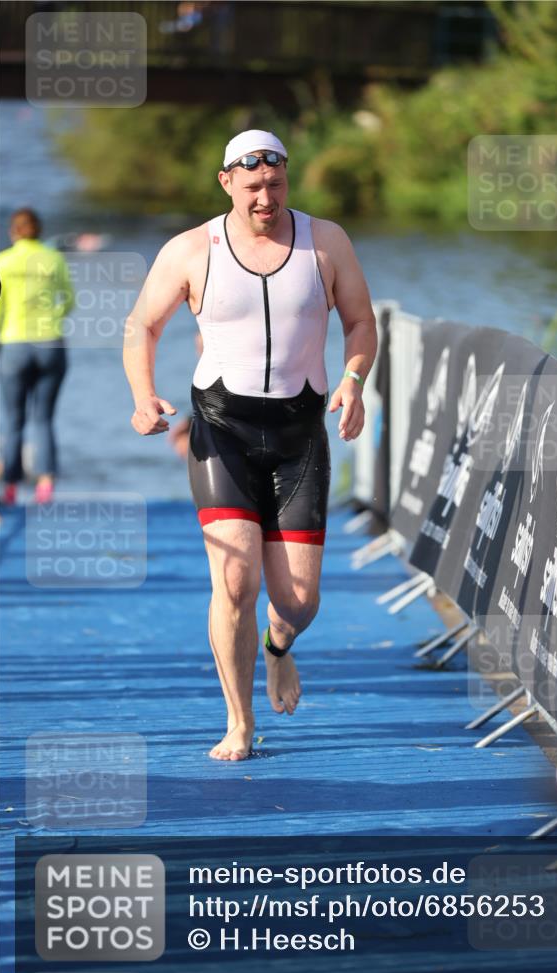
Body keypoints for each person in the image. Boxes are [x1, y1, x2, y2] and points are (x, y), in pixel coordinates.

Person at [124, 129, 378, 761]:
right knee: (235, 582)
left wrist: (353, 380)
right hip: (223, 434)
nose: (266, 197)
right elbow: (141, 325)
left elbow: (361, 321)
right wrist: (143, 395)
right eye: (254, 185)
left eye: (277, 183)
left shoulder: (327, 242)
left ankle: (278, 650)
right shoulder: (191, 249)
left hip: (299, 437)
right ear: (227, 182)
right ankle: (239, 723)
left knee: (298, 601)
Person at [0, 208, 74, 505]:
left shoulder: (1, 261)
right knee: (43, 418)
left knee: (13, 421)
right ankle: (45, 485)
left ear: (12, 231)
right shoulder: (54, 258)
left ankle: (11, 488)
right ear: (39, 231)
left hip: (14, 344)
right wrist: (53, 320)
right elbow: (69, 300)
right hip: (50, 344)